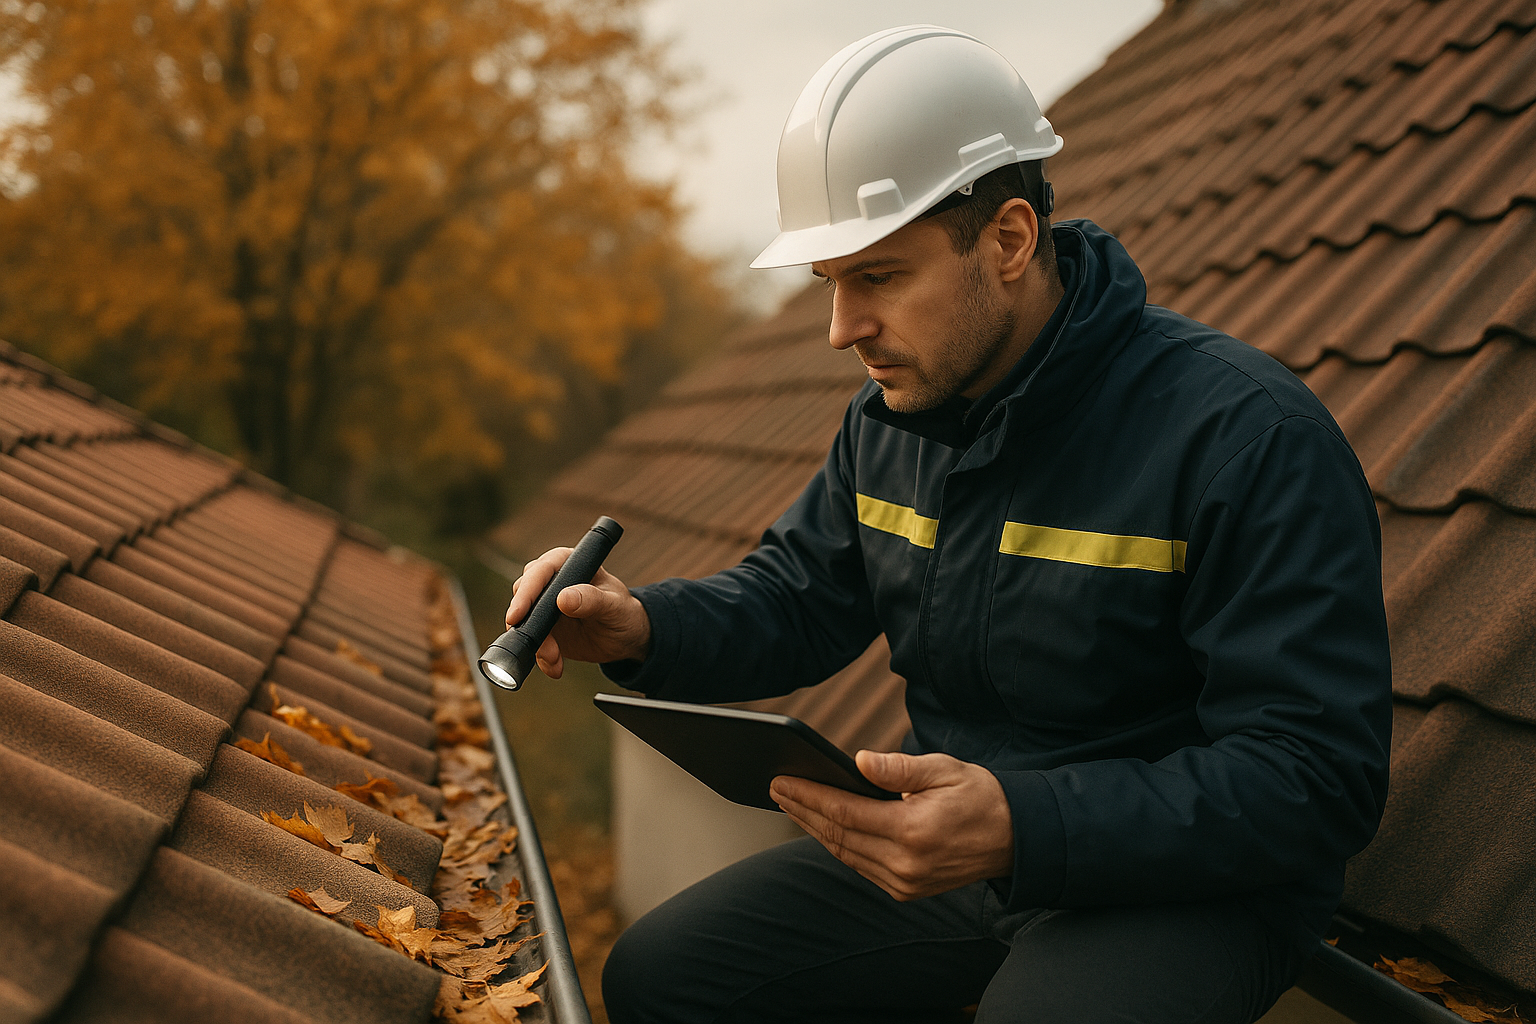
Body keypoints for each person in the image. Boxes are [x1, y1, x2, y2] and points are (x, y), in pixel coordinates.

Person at [505, 26, 1392, 1024]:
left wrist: (1022, 822)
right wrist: (643, 627)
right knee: (663, 973)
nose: (841, 328)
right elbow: (799, 598)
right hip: (964, 854)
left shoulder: (1244, 436)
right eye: (828, 283)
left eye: (877, 276)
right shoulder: (894, 424)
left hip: (1182, 884)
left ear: (1009, 240)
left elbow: (1316, 780)